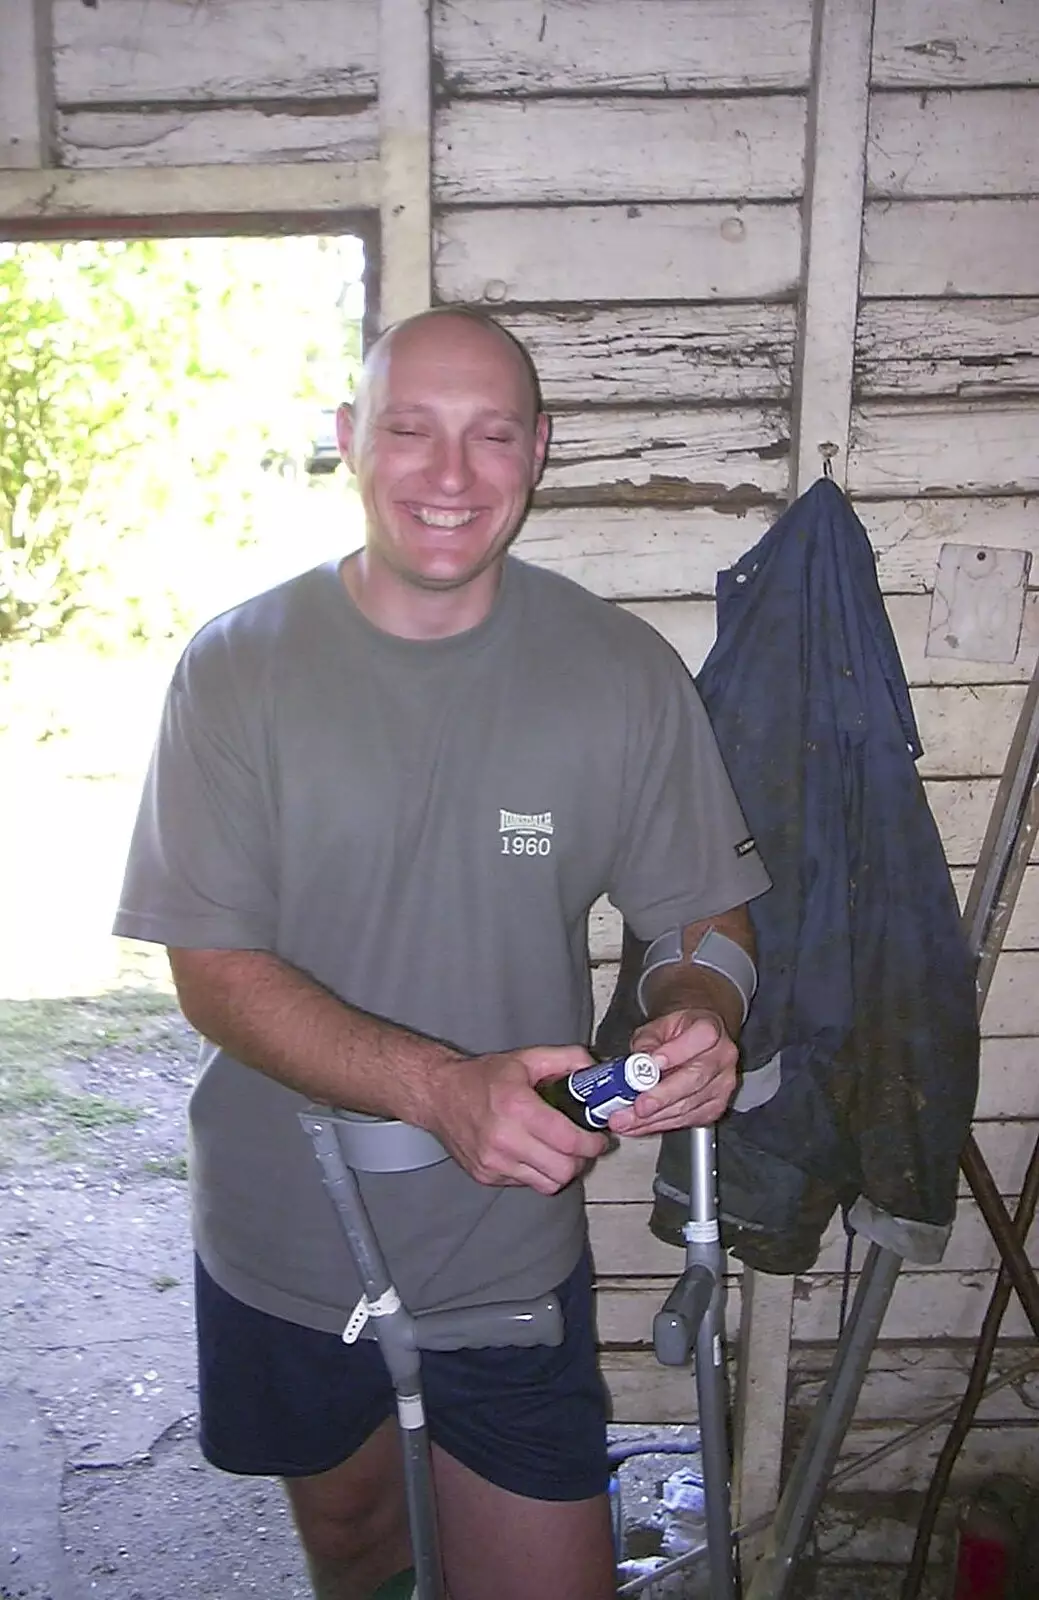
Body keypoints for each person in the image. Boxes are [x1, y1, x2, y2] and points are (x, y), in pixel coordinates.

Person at [113, 307, 770, 1600]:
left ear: (538, 453)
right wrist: (434, 1086)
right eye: (410, 431)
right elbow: (214, 971)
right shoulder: (237, 671)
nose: (450, 476)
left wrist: (700, 1007)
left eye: (490, 437)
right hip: (286, 1235)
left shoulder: (618, 672)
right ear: (352, 442)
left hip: (506, 1240)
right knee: (357, 1545)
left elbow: (705, 914)